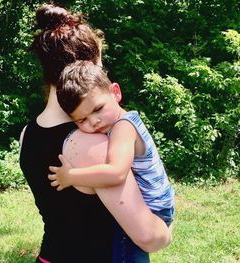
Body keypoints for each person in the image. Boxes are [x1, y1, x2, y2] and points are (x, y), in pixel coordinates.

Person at [19, 4, 170, 263]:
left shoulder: (27, 134)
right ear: (86, 70)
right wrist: (165, 230)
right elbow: (149, 237)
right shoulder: (93, 141)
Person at [48, 60, 175, 229]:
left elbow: (116, 173)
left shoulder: (123, 126)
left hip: (154, 210)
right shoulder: (121, 122)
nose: (94, 121)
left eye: (98, 108)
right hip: (159, 206)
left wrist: (71, 176)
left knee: (124, 255)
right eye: (82, 119)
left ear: (115, 92)